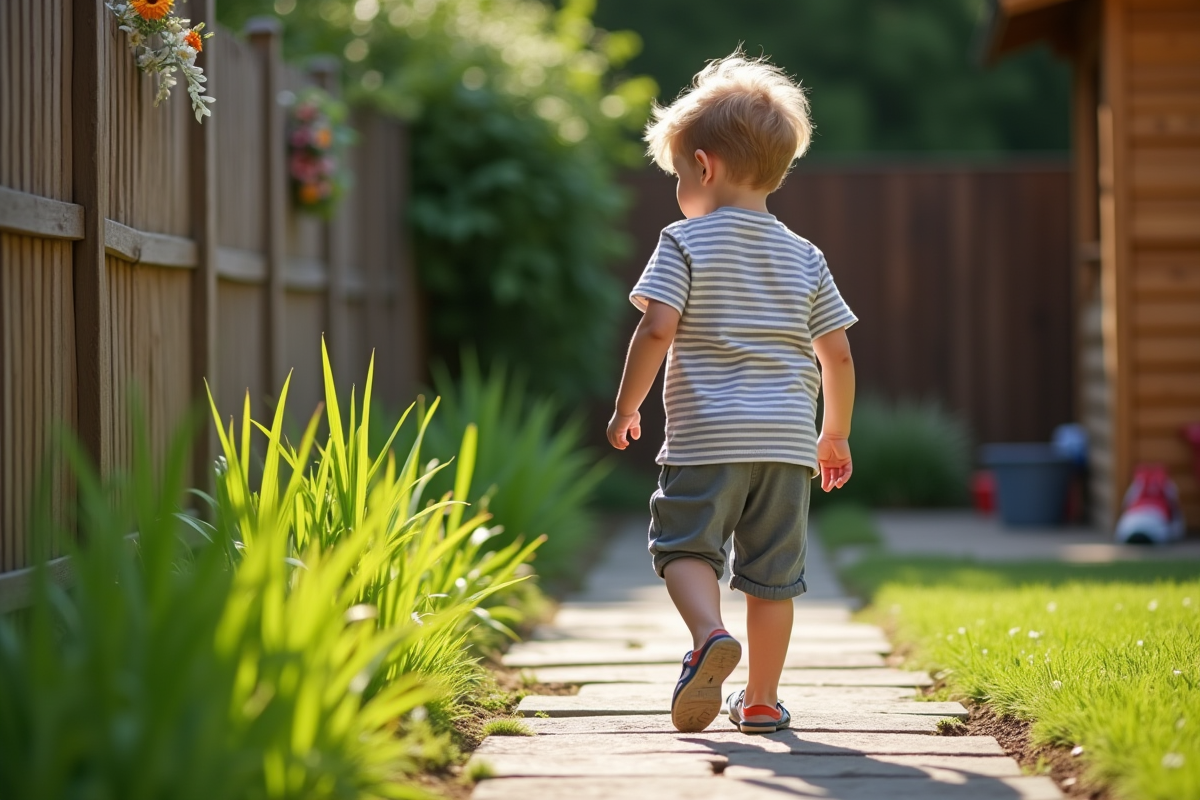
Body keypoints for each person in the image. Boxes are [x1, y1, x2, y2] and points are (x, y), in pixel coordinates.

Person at [606, 50, 858, 735]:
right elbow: (835, 352)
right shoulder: (806, 255)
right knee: (774, 579)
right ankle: (761, 701)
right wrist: (832, 433)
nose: (678, 191)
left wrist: (628, 406)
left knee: (684, 547)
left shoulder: (684, 242)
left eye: (678, 175)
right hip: (785, 447)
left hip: (706, 440)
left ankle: (708, 635)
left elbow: (657, 328)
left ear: (705, 166)